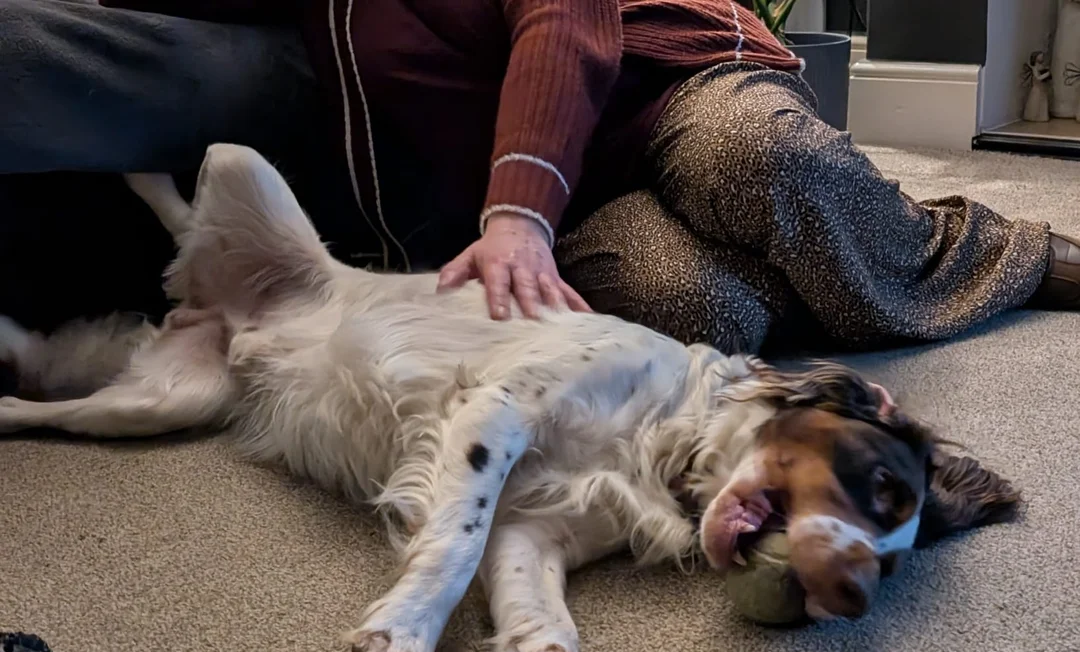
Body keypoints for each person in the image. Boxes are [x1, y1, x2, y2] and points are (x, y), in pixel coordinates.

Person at [3, 0, 1080, 355]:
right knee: (694, 312)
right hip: (588, 197)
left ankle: (1000, 251)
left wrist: (516, 211)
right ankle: (844, 253)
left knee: (766, 165)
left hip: (673, 80)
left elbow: (568, 17)